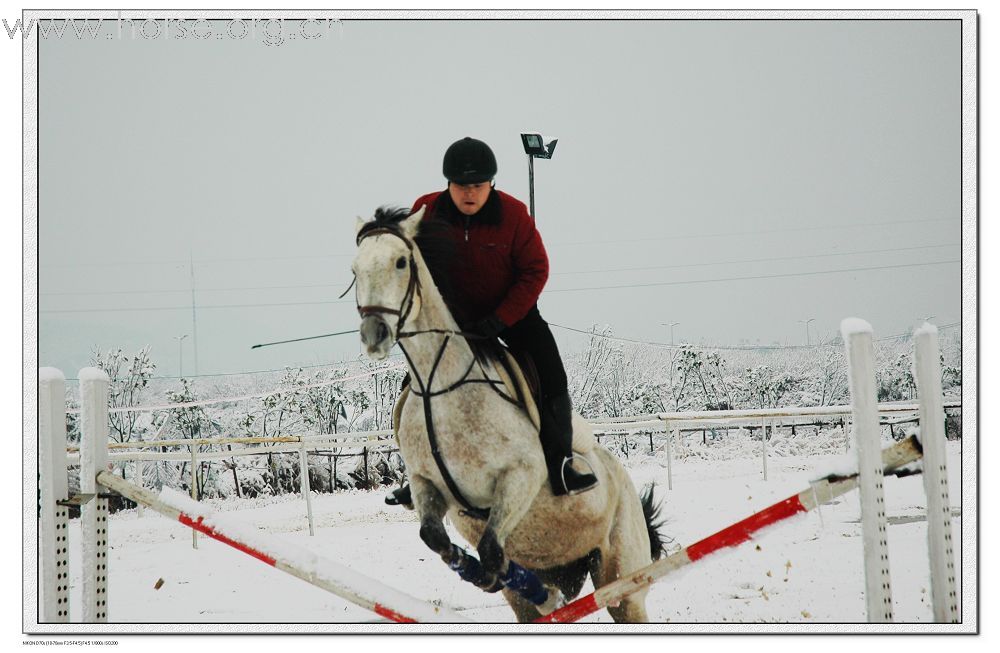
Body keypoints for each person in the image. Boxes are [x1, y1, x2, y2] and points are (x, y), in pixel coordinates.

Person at [386, 136, 598, 506]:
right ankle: (418, 473)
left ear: (491, 184)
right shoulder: (426, 211)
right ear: (447, 184)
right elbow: (407, 263)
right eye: (461, 186)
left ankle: (561, 462)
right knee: (414, 385)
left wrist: (501, 318)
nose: (470, 193)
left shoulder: (514, 215)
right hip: (451, 322)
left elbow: (536, 270)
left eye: (478, 186)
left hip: (511, 316)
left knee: (551, 374)